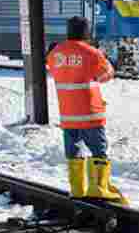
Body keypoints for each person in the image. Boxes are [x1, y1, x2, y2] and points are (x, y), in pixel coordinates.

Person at [46, 16, 127, 204]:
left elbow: (51, 65)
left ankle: (77, 189)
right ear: (86, 32)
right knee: (98, 151)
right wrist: (104, 59)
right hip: (90, 114)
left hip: (68, 114)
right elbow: (105, 75)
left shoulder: (56, 53)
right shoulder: (92, 53)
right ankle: (98, 188)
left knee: (73, 152)